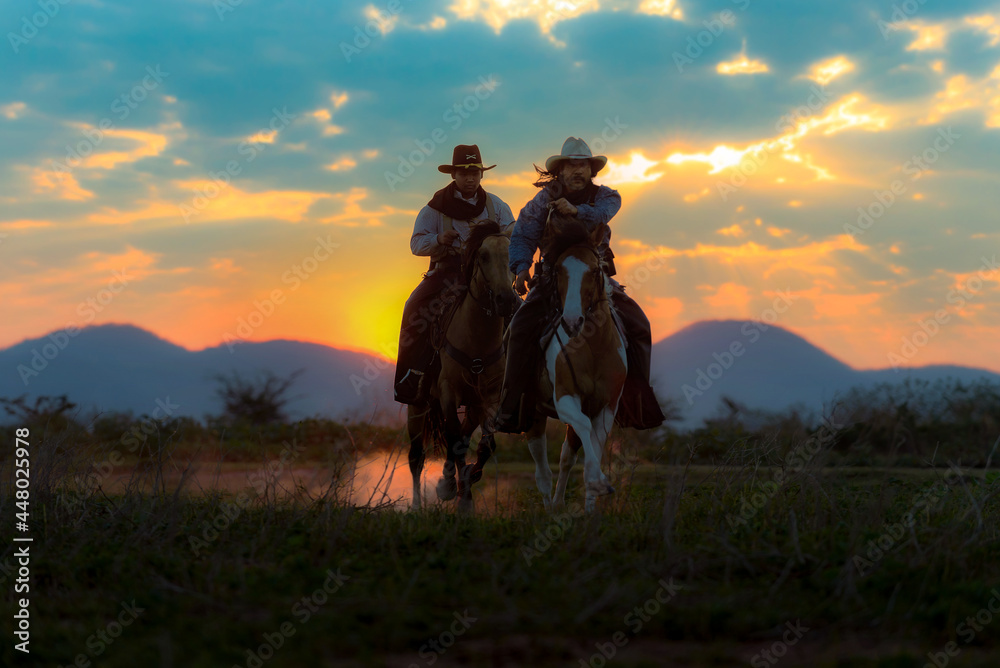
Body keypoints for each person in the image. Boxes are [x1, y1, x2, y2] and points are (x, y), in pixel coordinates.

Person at [494, 137, 665, 431]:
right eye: (571, 165)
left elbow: (604, 213)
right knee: (518, 330)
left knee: (639, 325)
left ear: (591, 170)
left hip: (596, 279)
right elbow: (523, 234)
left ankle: (633, 400)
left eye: (583, 165)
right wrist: (521, 267)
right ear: (560, 171)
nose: (577, 171)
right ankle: (512, 405)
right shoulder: (542, 202)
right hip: (551, 279)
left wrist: (577, 212)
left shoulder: (606, 197)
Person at [393, 144, 516, 404]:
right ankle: (411, 376)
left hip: (487, 273)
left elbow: (511, 237)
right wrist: (438, 239)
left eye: (474, 172)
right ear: (453, 176)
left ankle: (521, 382)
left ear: (481, 174)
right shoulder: (434, 208)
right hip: (446, 272)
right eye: (463, 173)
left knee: (520, 311)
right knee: (414, 307)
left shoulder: (497, 206)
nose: (470, 178)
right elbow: (416, 244)